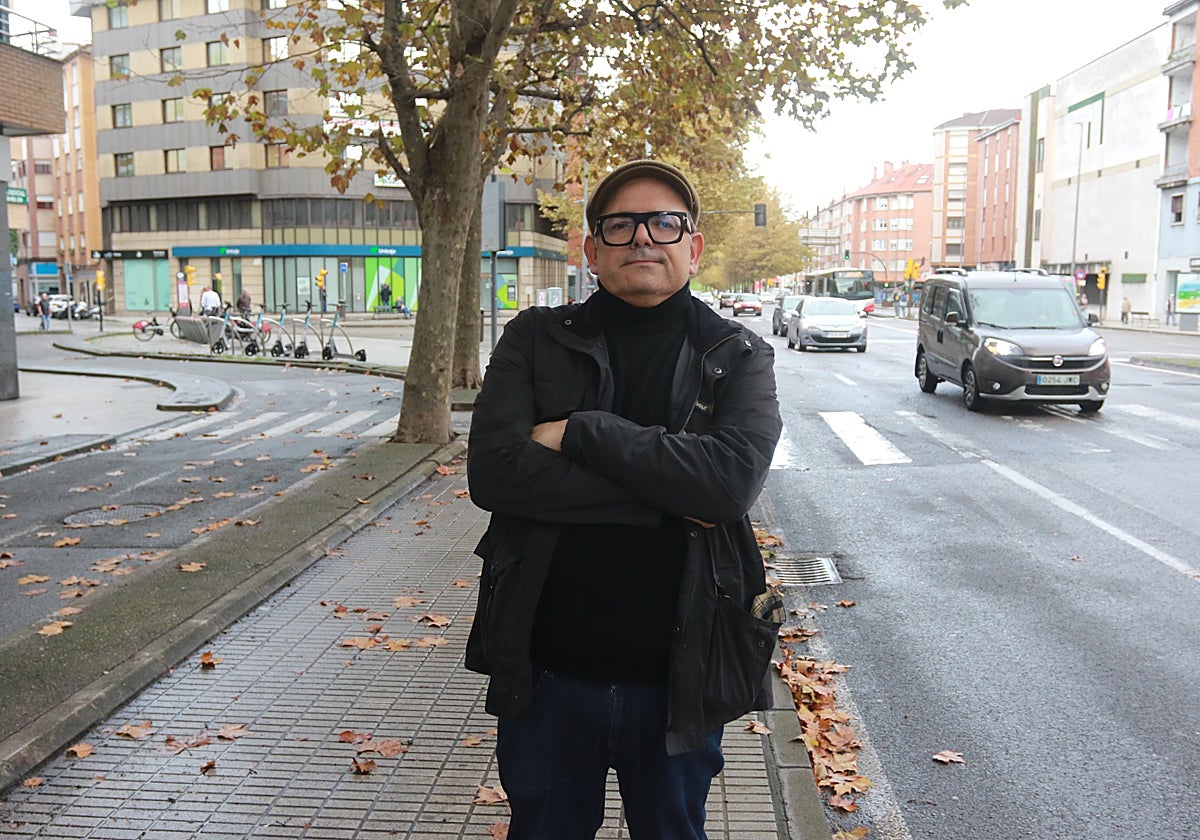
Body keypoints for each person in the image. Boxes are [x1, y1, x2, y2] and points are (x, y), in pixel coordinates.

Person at [466, 160, 783, 838]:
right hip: (546, 675)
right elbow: (494, 474)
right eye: (621, 224)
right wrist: (667, 495)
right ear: (593, 249)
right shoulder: (536, 338)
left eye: (665, 222)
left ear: (692, 248)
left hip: (679, 681)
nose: (643, 237)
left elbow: (728, 484)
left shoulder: (736, 355)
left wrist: (583, 431)